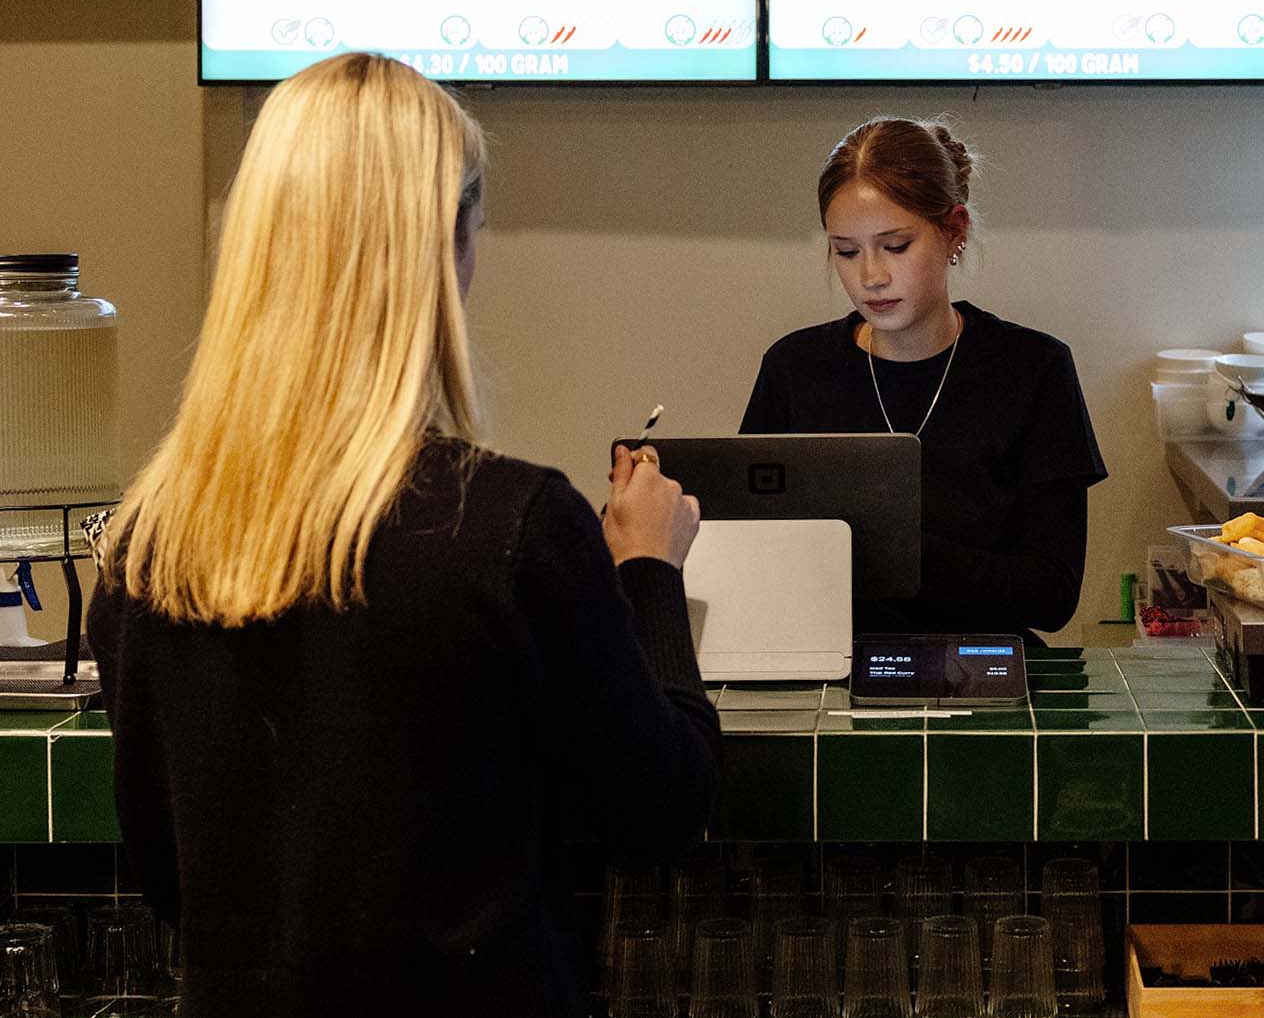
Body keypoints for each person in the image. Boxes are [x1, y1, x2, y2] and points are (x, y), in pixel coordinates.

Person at [88, 52, 718, 1016]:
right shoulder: (509, 526)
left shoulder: (143, 550)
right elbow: (658, 813)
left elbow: (170, 877)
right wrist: (646, 572)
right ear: (449, 244)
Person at [740, 117, 1106, 639]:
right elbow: (752, 553)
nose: (871, 276)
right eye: (846, 251)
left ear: (953, 230)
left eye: (895, 246)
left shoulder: (1033, 369)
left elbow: (1052, 595)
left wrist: (893, 551)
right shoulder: (795, 368)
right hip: (828, 667)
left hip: (984, 669)